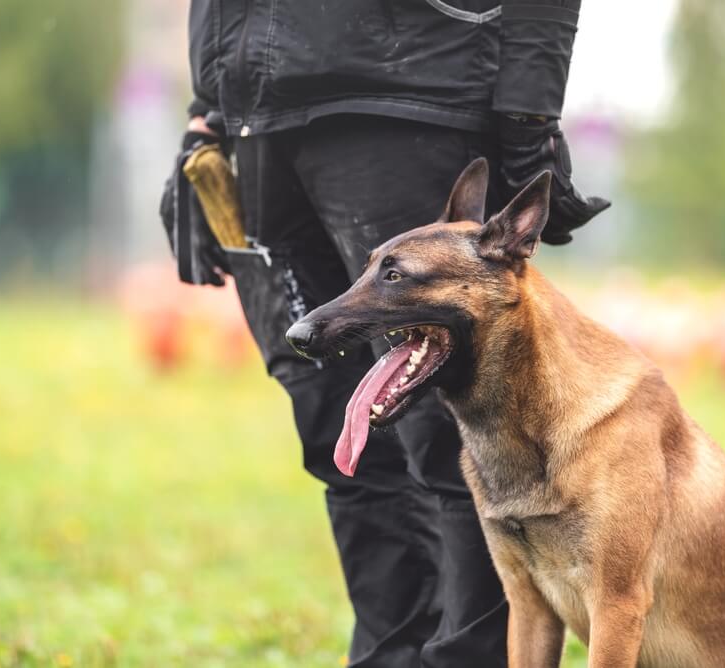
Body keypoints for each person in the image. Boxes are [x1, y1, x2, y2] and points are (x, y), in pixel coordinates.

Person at [171, 2, 608, 665]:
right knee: (340, 442)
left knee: (458, 449)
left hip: (411, 96)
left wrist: (528, 114)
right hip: (255, 124)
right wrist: (205, 116)